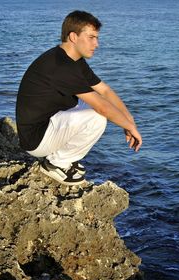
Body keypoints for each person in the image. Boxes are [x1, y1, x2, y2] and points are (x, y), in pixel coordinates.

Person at [16, 10, 142, 186]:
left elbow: (104, 90)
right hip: (37, 139)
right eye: (91, 37)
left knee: (97, 101)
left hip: (49, 121)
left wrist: (130, 120)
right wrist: (128, 127)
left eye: (97, 38)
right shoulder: (60, 66)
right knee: (98, 116)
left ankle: (65, 157)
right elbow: (102, 108)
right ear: (73, 37)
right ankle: (56, 163)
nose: (96, 44)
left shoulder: (72, 59)